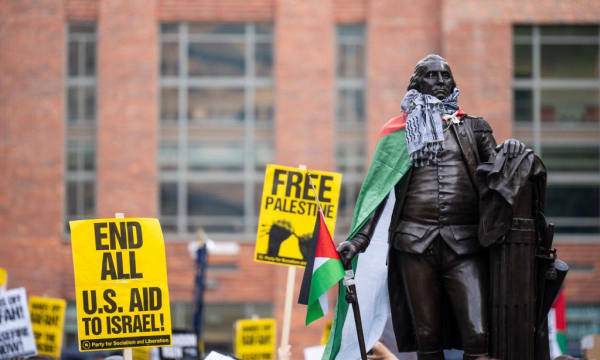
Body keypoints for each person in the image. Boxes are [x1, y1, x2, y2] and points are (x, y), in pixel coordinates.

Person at [337, 54, 525, 360]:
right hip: (414, 244)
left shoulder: (474, 127)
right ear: (417, 83)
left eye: (445, 76)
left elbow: (498, 179)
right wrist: (359, 240)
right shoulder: (397, 134)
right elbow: (378, 191)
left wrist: (513, 152)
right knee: (427, 336)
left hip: (465, 243)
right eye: (431, 76)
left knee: (478, 333)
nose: (440, 82)